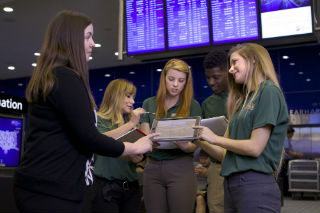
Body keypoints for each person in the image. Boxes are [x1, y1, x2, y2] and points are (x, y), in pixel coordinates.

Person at [13, 10, 156, 213]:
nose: (93, 44)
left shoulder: (54, 76)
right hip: (50, 190)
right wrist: (135, 148)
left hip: (44, 186)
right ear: (70, 40)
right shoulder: (65, 78)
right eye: (88, 37)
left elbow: (84, 135)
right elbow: (89, 138)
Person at [194, 43, 289, 213]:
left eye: (235, 62)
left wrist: (215, 138)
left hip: (255, 184)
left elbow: (254, 147)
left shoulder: (268, 91)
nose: (231, 69)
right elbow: (225, 155)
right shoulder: (243, 101)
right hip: (233, 184)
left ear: (253, 60)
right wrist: (199, 138)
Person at [140, 58, 202, 213]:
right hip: (152, 167)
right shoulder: (148, 104)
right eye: (171, 79)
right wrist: (149, 140)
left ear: (186, 82)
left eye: (181, 81)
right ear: (164, 79)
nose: (175, 85)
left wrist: (184, 145)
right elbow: (145, 138)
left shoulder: (193, 106)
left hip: (180, 166)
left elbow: (195, 145)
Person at [87, 79, 146, 213]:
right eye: (128, 96)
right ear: (116, 96)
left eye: (133, 97)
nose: (132, 102)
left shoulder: (131, 120)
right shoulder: (99, 118)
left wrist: (139, 158)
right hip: (106, 188)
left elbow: (136, 154)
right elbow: (100, 140)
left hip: (131, 187)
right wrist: (130, 124)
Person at [201, 49, 229, 213]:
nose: (211, 82)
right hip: (217, 167)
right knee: (216, 208)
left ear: (228, 73)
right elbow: (203, 139)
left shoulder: (244, 97)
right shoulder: (207, 104)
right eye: (208, 78)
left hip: (243, 165)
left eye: (216, 77)